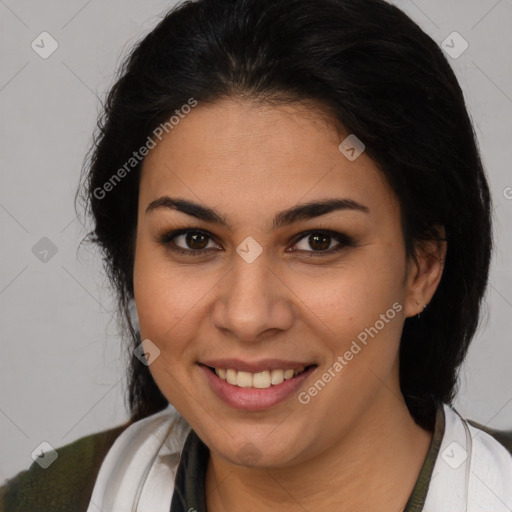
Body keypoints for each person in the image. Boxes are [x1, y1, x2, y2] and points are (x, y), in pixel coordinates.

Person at [1, 0, 511, 510]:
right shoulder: (48, 499)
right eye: (193, 240)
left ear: (421, 268)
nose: (247, 316)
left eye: (318, 241)